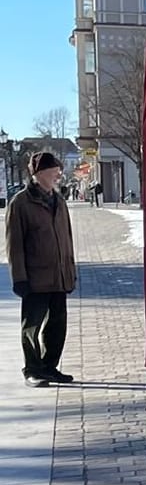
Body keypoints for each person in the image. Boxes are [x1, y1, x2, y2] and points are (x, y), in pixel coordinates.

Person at [5, 152, 78, 387]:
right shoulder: (20, 203)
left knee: (57, 325)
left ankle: (49, 367)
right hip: (35, 277)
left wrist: (70, 270)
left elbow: (67, 239)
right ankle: (32, 370)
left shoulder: (60, 201)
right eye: (54, 169)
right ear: (39, 173)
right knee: (32, 327)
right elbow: (14, 244)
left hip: (59, 275)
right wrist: (19, 278)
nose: (59, 173)